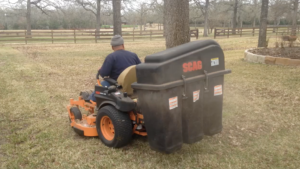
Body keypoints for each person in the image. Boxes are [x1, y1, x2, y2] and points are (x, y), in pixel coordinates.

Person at [88, 35, 141, 102]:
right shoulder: (133, 55)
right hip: (133, 84)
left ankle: (91, 99)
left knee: (103, 83)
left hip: (118, 85)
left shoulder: (111, 57)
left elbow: (104, 74)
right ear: (123, 45)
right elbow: (140, 69)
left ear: (112, 47)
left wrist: (100, 70)